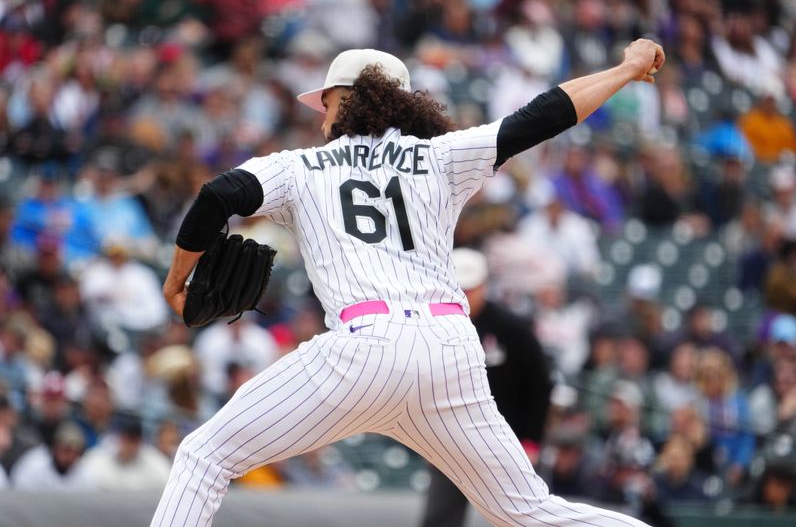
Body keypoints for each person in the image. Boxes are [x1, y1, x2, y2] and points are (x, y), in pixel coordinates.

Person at [152, 40, 666, 526]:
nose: (322, 115)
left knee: (204, 456)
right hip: (450, 354)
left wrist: (178, 280)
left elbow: (216, 197)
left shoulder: (299, 167)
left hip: (364, 351)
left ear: (350, 100)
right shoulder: (442, 156)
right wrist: (623, 71)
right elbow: (544, 116)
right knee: (529, 511)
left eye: (327, 102)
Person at [419, 248, 552, 527]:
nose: (465, 295)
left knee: (527, 518)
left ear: (484, 286)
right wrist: (428, 443)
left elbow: (539, 387)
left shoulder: (513, 330)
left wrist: (530, 440)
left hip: (510, 442)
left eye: (471, 289)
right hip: (452, 443)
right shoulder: (432, 329)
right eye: (460, 289)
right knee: (438, 520)